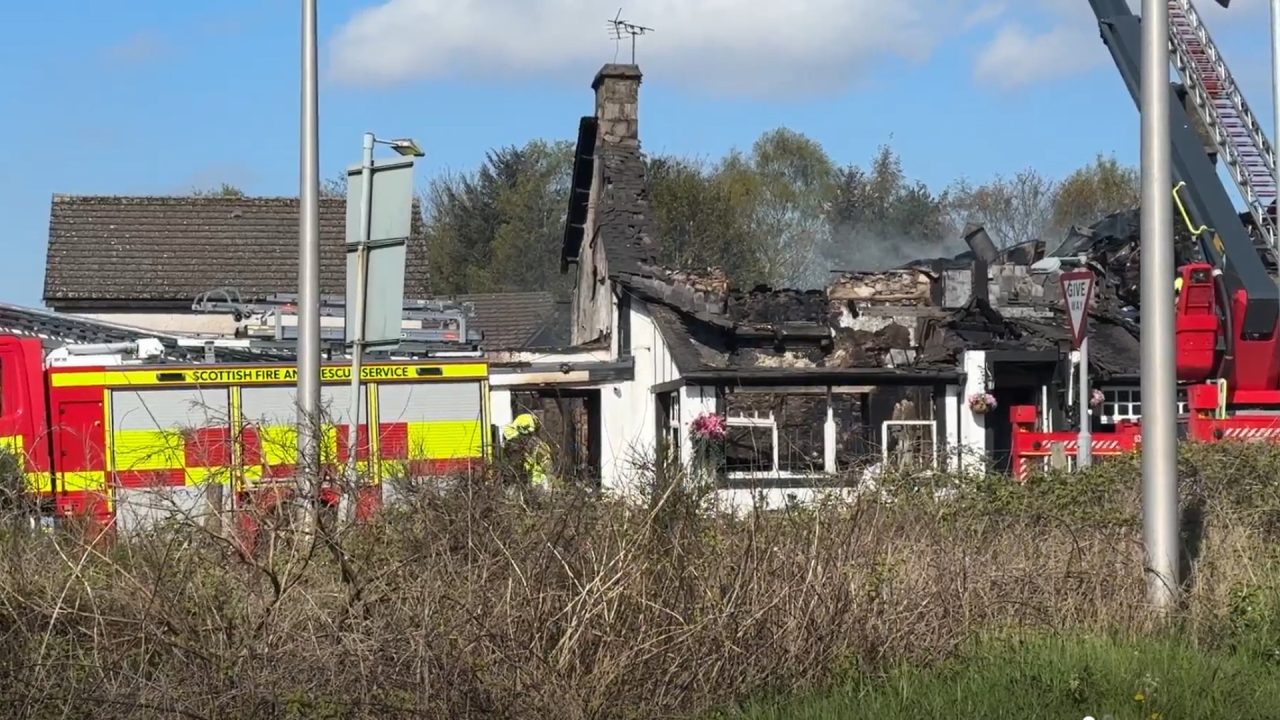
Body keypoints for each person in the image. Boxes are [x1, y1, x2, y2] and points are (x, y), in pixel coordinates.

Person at [501, 412, 553, 491]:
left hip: (512, 485)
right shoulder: (537, 444)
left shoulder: (508, 443)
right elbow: (547, 467)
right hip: (536, 484)